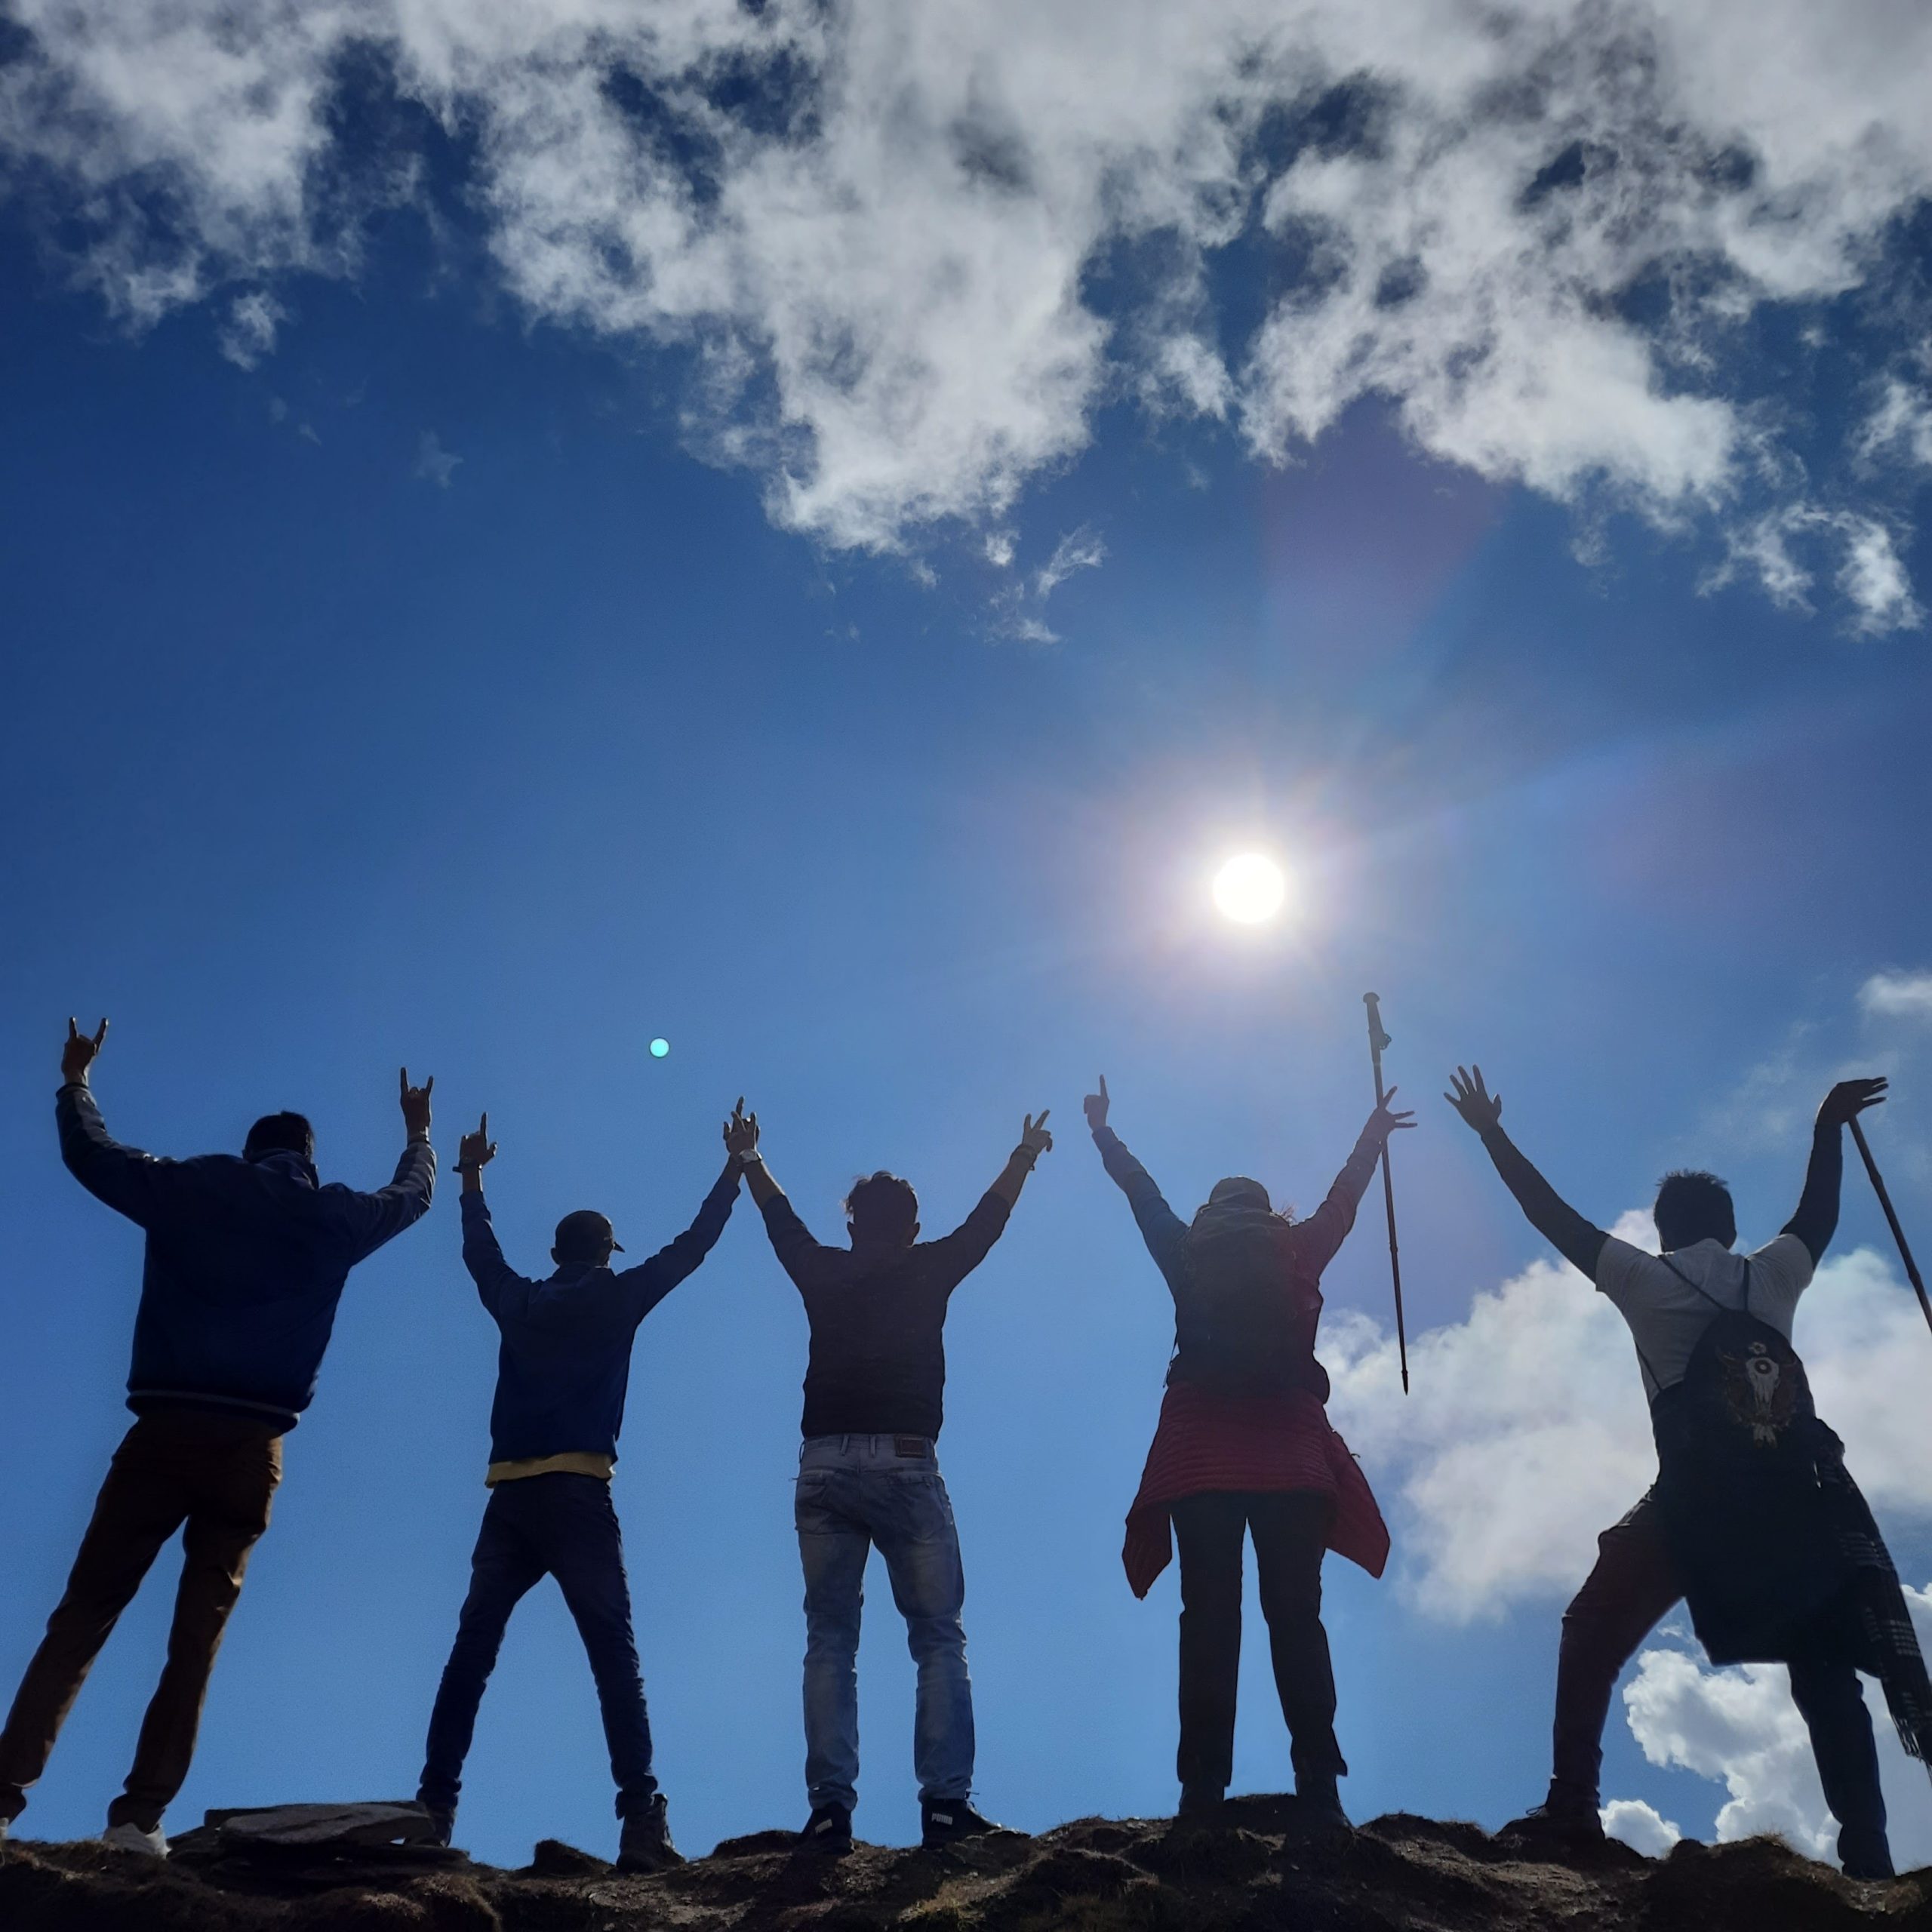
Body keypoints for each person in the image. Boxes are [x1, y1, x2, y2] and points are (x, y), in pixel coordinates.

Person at [1445, 1063, 1924, 1880]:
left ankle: (1570, 1807)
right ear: (1731, 1228)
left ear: (1662, 1230)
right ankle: (1869, 1859)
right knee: (1824, 1665)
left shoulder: (1641, 1278)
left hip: (1695, 1500)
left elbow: (1548, 1213)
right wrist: (1826, 1127)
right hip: (1795, 1498)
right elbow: (1817, 1214)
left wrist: (1491, 1133)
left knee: (1591, 1625)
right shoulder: (1769, 1274)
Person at [0, 1019, 437, 1857]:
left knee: (84, 1614)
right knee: (195, 1639)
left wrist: (76, 1080)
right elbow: (412, 1195)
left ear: (249, 1150)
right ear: (307, 1156)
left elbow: (94, 1156)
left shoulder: (191, 1186)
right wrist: (417, 1131)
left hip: (163, 1431)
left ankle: (2, 1793)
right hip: (252, 1449)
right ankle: (137, 1820)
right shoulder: (334, 1214)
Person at [416, 1100, 759, 1872]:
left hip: (507, 1501)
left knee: (471, 1652)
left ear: (557, 1250)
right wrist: (735, 1165)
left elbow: (480, 1254)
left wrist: (470, 1178)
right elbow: (693, 1247)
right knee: (612, 1655)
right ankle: (642, 1821)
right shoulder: (617, 1294)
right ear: (607, 1253)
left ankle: (431, 1809)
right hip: (578, 1493)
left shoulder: (521, 1300)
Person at [1088, 1075, 1410, 1828]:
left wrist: (1103, 1131)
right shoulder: (1295, 1247)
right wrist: (1373, 1134)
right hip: (1290, 1449)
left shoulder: (1186, 1247)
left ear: (1211, 1212)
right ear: (1267, 1212)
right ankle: (1319, 1786)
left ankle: (1201, 1789)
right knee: (1296, 1615)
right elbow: (1344, 1200)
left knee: (1208, 1617)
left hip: (1200, 1448)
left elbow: (1140, 1192)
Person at [739, 1108, 1054, 1854]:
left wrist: (751, 1156)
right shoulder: (928, 1265)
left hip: (821, 1464)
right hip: (908, 1464)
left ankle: (828, 1812)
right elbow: (987, 1221)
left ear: (851, 1225)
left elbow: (778, 1219)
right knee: (937, 1636)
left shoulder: (820, 1266)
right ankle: (945, 1807)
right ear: (912, 1227)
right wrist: (1025, 1152)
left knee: (829, 1639)